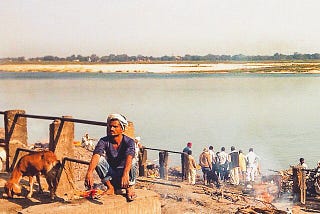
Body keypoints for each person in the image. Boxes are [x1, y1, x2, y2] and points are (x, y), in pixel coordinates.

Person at [85, 113, 137, 201]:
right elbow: (97, 154)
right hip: (111, 175)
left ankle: (129, 188)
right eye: (110, 126)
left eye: (115, 127)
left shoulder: (129, 141)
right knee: (99, 160)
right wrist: (89, 172)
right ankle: (110, 188)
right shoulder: (104, 141)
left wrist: (125, 173)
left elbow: (129, 155)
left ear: (122, 129)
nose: (111, 129)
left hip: (125, 175)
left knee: (133, 161)